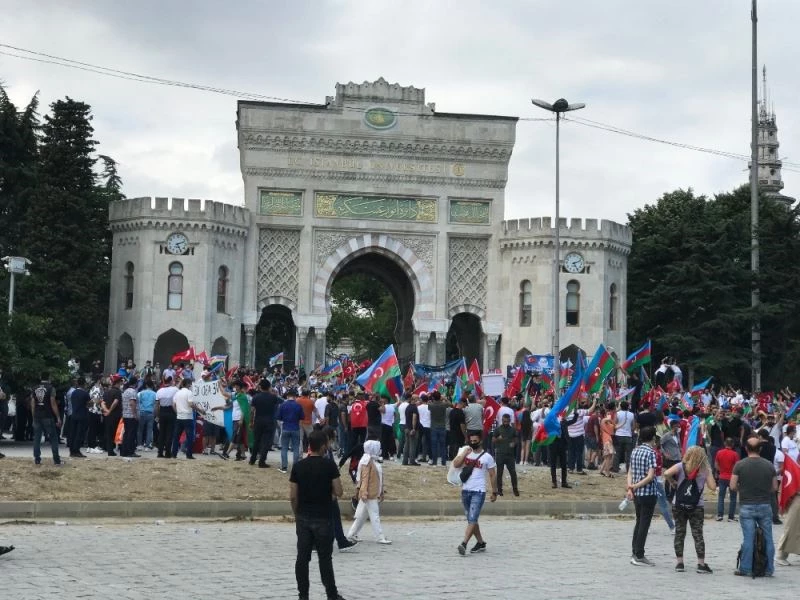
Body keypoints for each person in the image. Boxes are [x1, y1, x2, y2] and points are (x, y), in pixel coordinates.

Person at [289, 429, 347, 600]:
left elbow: (293, 495)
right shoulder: (329, 465)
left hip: (303, 517)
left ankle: (303, 595)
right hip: (323, 517)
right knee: (325, 559)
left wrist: (297, 513)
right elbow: (339, 491)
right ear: (323, 446)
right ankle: (331, 594)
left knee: (302, 558)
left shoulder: (298, 466)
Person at [664, 445, 716, 574]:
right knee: (698, 534)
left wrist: (672, 482)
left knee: (679, 533)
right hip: (696, 506)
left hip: (679, 504)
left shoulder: (681, 466)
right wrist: (708, 474)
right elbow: (712, 487)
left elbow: (666, 473)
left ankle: (680, 563)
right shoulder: (705, 470)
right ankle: (701, 564)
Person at [731, 436, 777, 577]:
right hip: (765, 505)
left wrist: (743, 490)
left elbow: (732, 486)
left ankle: (746, 568)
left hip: (747, 505)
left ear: (746, 449)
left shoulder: (740, 465)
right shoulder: (769, 465)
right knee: (768, 538)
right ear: (760, 449)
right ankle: (769, 569)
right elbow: (774, 487)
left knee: (748, 538)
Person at [453, 430, 498, 556]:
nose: (473, 443)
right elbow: (456, 464)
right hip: (465, 490)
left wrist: (494, 491)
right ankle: (480, 542)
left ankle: (464, 543)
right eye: (471, 441)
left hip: (479, 491)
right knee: (471, 519)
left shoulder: (487, 457)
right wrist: (464, 453)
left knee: (472, 518)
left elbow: (492, 475)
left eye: (475, 441)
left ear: (480, 441)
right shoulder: (466, 452)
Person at [346, 435, 392, 544]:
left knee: (361, 516)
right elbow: (364, 478)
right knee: (374, 515)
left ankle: (351, 534)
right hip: (369, 493)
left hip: (372, 492)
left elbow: (379, 478)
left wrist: (381, 492)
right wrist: (364, 492)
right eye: (377, 448)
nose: (380, 450)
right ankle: (380, 537)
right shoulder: (367, 461)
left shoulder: (372, 460)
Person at [627, 426, 658, 566]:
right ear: (653, 438)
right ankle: (639, 554)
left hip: (637, 493)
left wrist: (631, 487)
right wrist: (635, 486)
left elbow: (630, 472)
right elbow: (650, 476)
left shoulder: (635, 450)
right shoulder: (651, 452)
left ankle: (635, 551)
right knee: (644, 524)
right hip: (648, 492)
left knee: (639, 522)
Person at [31, 373, 62, 466]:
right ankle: (56, 459)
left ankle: (37, 459)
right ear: (49, 378)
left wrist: (33, 416)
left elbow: (32, 404)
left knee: (37, 438)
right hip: (48, 415)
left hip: (37, 415)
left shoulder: (34, 388)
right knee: (53, 438)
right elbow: (53, 403)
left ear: (40, 377)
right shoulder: (51, 388)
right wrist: (58, 417)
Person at [250, 379, 282, 467]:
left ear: (260, 387)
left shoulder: (255, 397)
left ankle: (252, 459)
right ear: (269, 387)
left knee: (256, 441)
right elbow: (281, 402)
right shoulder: (273, 397)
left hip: (258, 420)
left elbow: (252, 411)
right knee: (266, 442)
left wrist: (251, 422)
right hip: (269, 421)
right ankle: (262, 461)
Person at [171, 378, 204, 459]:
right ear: (189, 384)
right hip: (188, 417)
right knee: (190, 437)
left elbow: (173, 405)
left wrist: (177, 412)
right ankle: (189, 454)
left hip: (179, 417)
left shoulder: (177, 393)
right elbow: (190, 404)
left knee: (176, 437)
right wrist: (200, 410)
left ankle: (174, 454)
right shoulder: (189, 393)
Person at [277, 388, 304, 474]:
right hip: (295, 428)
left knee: (284, 448)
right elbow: (302, 417)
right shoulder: (298, 406)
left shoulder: (283, 405)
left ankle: (284, 467)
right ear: (295, 396)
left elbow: (279, 417)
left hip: (285, 427)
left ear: (287, 396)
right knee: (296, 448)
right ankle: (295, 468)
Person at [492, 413, 519, 496]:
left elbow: (516, 439)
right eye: (504, 421)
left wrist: (514, 443)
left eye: (507, 421)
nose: (506, 423)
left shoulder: (512, 429)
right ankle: (499, 490)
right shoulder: (498, 429)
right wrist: (498, 439)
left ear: (509, 421)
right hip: (500, 454)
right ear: (502, 420)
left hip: (510, 455)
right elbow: (493, 440)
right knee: (499, 473)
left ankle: (515, 489)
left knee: (513, 473)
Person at [715, 437, 740, 522]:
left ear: (725, 443)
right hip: (732, 478)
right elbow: (737, 467)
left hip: (722, 476)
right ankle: (731, 517)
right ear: (732, 444)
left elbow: (716, 465)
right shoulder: (735, 454)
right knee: (733, 498)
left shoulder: (719, 452)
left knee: (721, 497)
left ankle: (720, 515)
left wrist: (721, 471)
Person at [101, 375, 124, 457]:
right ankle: (118, 450)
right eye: (121, 382)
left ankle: (109, 450)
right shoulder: (118, 392)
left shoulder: (107, 391)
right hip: (115, 415)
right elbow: (116, 402)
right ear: (118, 382)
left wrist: (106, 410)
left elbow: (102, 402)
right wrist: (110, 411)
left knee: (108, 433)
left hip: (107, 415)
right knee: (116, 433)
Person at [156, 376, 178, 458]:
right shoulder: (175, 389)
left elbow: (157, 405)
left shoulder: (159, 391)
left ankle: (160, 452)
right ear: (171, 381)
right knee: (169, 433)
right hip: (171, 411)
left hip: (162, 411)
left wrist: (157, 415)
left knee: (161, 433)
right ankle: (168, 452)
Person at [68, 378, 90, 458]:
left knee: (73, 433)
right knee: (79, 434)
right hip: (82, 415)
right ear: (84, 384)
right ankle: (76, 450)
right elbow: (88, 404)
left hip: (74, 414)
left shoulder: (73, 392)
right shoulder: (85, 394)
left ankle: (71, 450)